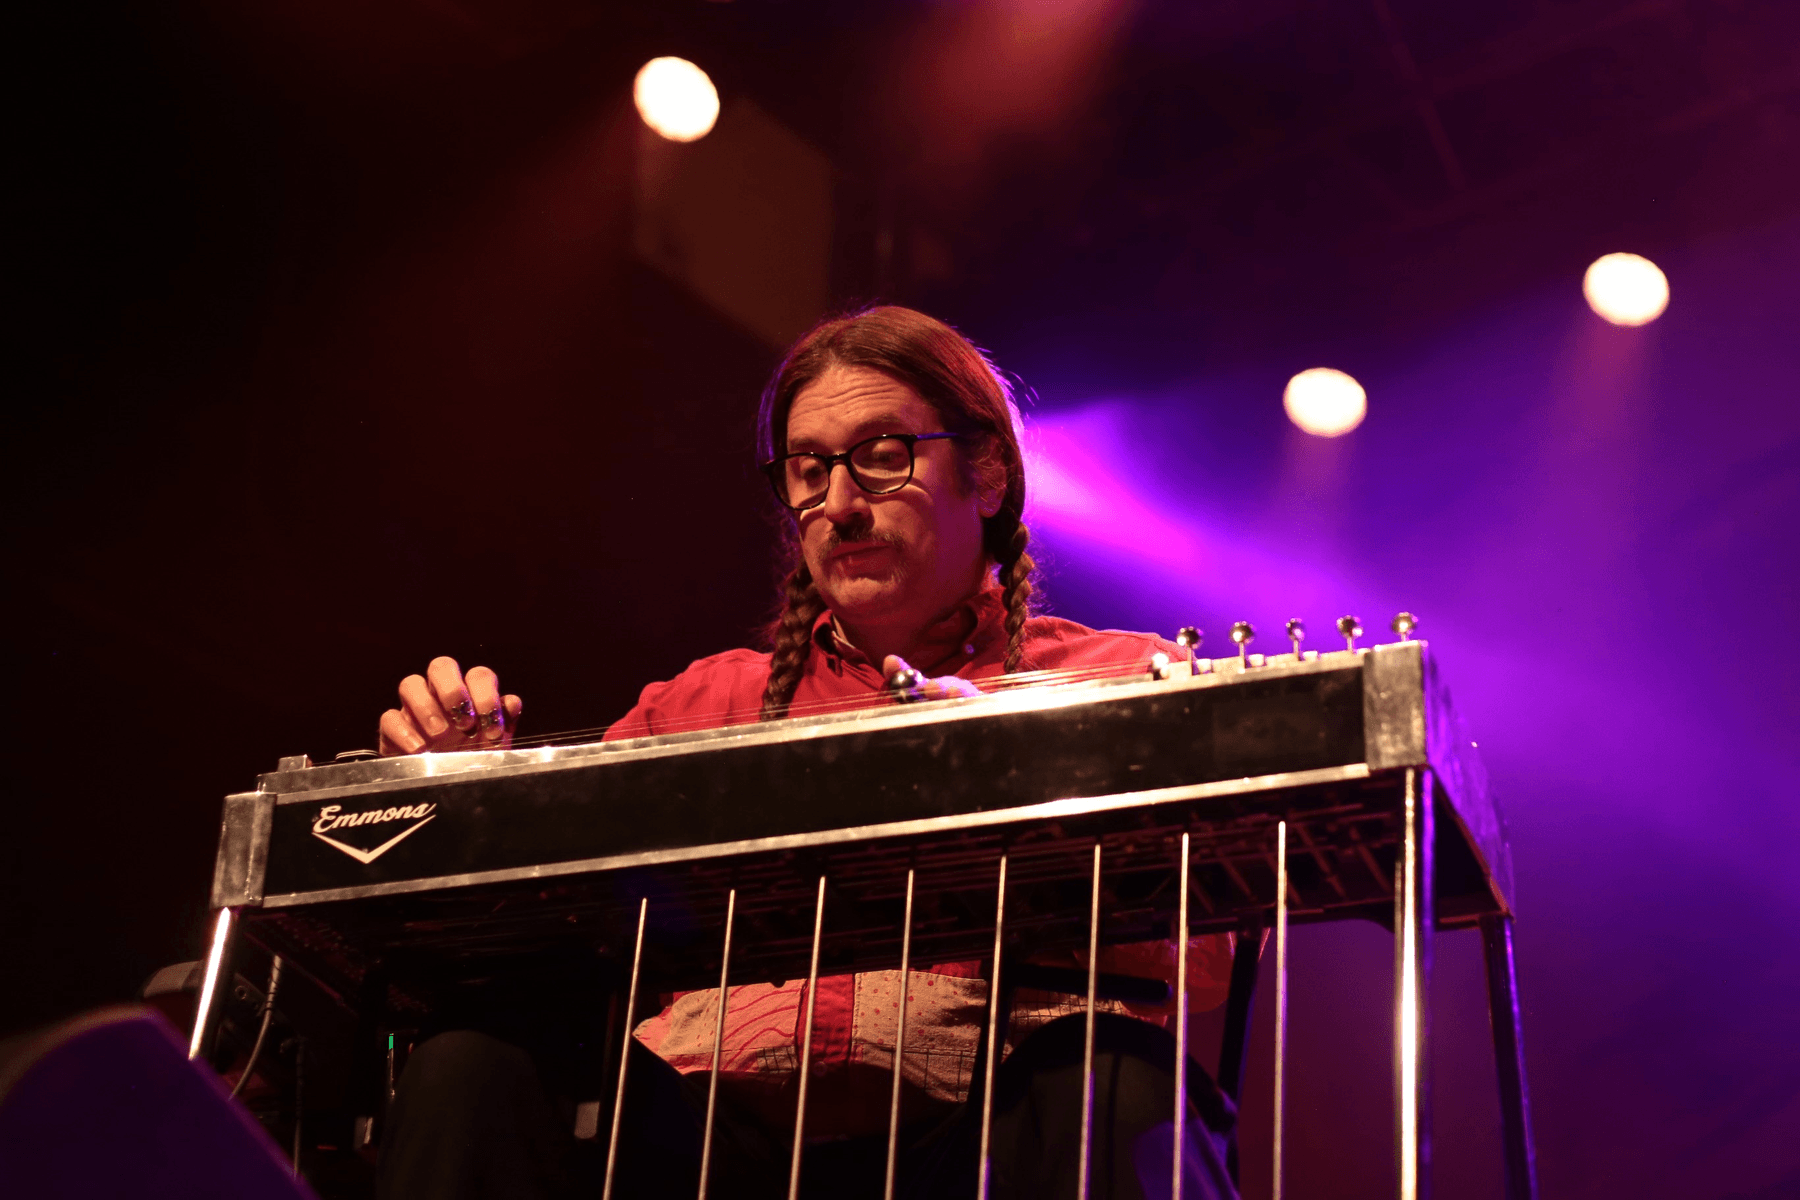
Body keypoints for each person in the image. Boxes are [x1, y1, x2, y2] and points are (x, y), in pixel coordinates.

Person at [373, 307, 1241, 1200]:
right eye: (809, 467)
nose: (837, 503)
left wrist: (999, 777)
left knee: (1117, 1076)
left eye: (881, 455)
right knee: (468, 1062)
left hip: (978, 1149)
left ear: (985, 473)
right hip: (704, 1153)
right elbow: (550, 932)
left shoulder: (1126, 679)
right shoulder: (701, 703)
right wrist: (460, 798)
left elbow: (1205, 955)